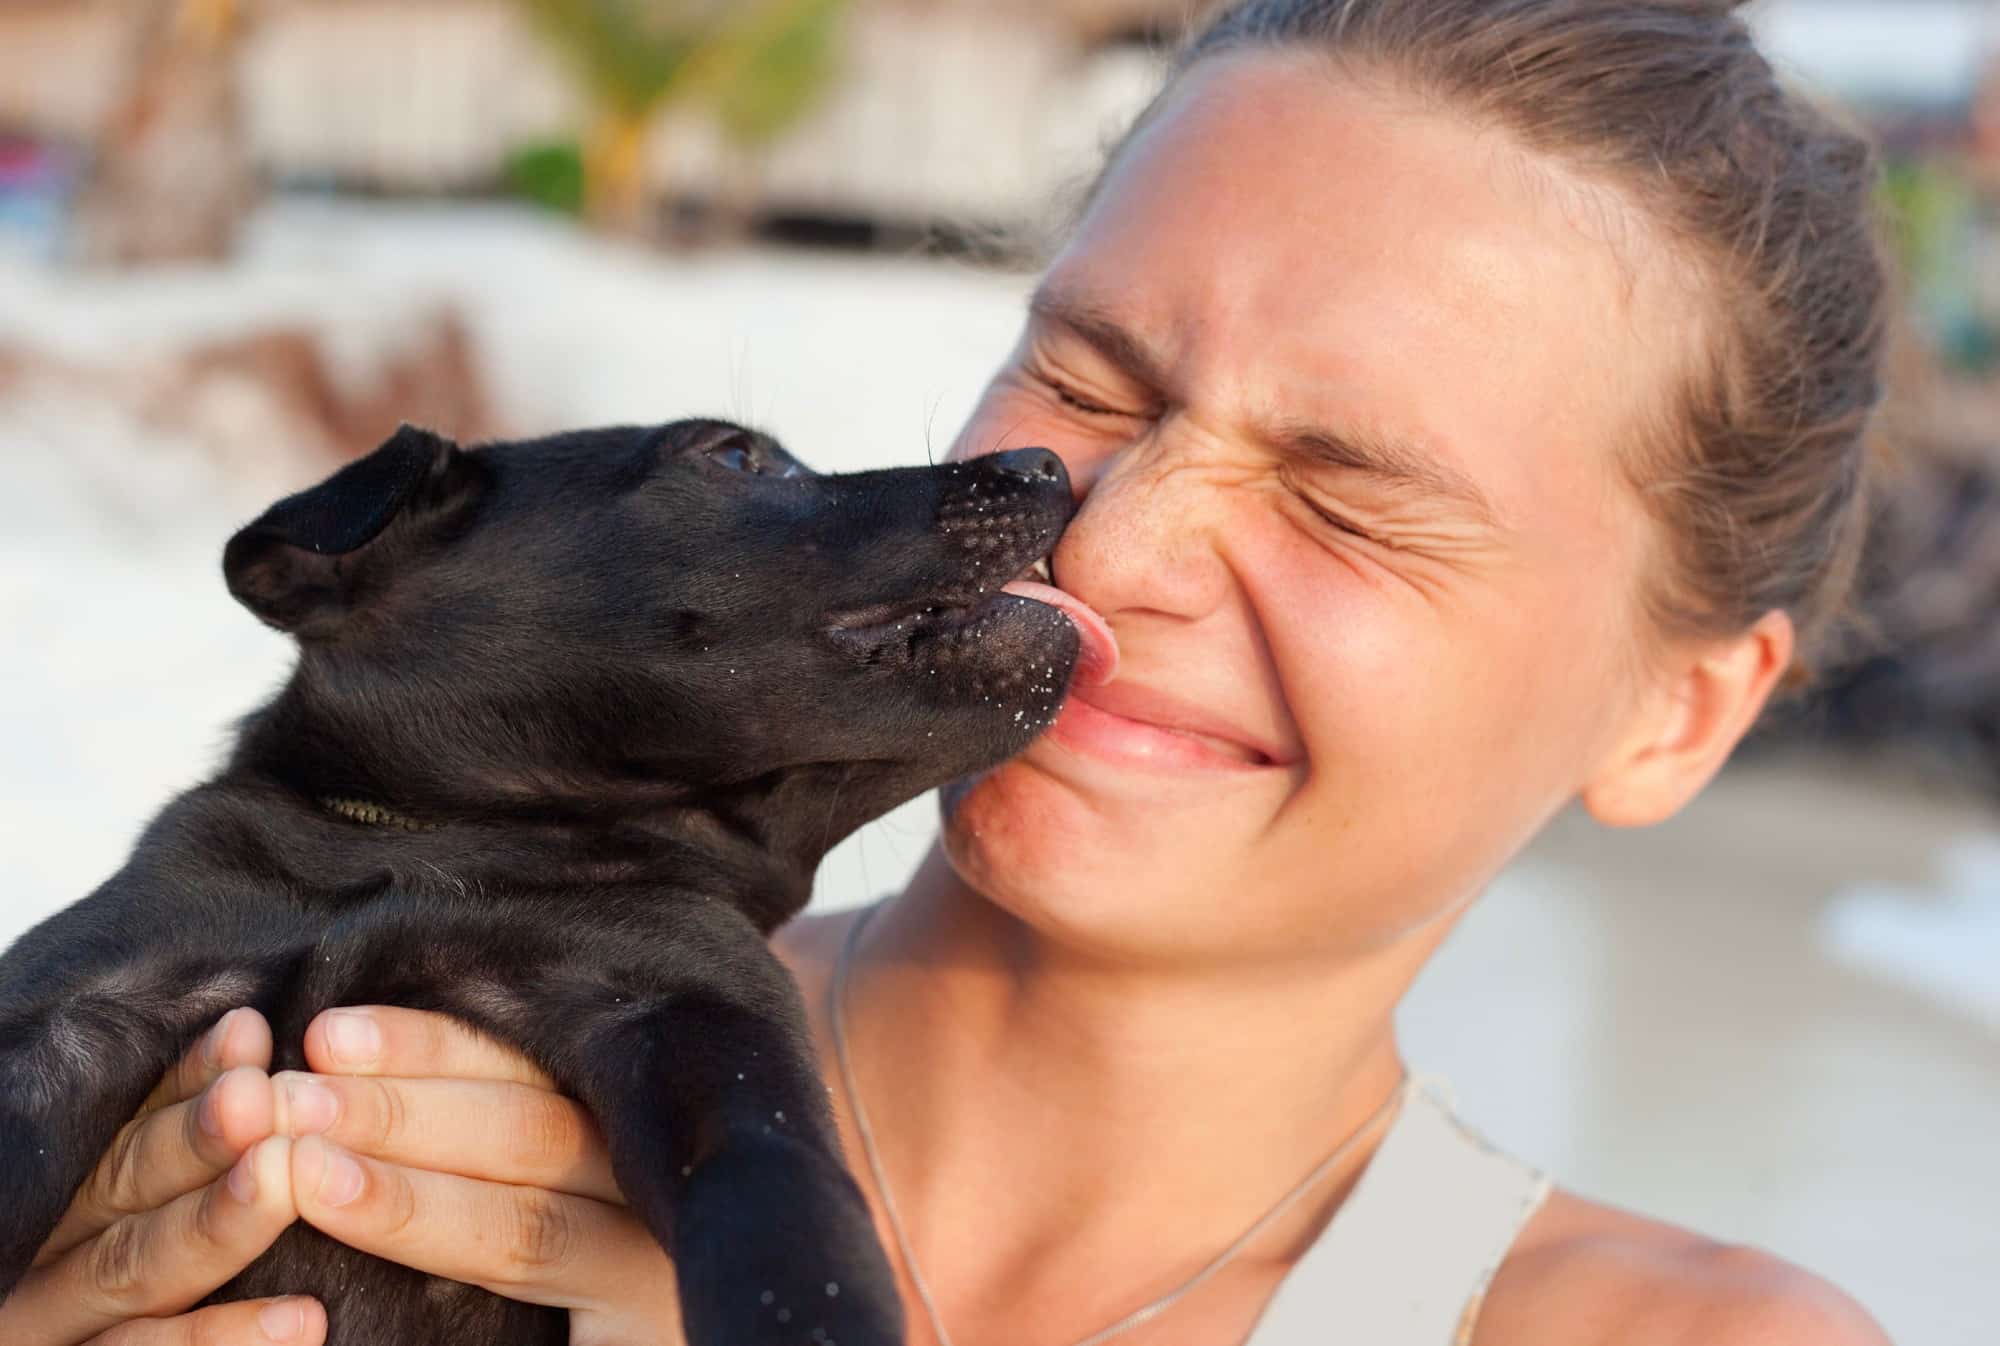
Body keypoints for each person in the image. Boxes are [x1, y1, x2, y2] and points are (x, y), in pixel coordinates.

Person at [3, 0, 1898, 1342]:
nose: (1120, 544)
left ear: (1684, 709)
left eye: (1350, 502)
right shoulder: (319, 1063)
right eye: (1089, 385)